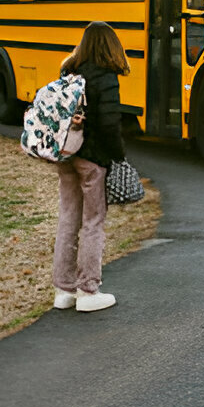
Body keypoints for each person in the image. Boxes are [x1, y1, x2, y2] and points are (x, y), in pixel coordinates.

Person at [52, 21, 130, 313]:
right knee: (93, 223)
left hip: (66, 154)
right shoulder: (106, 77)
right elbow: (109, 123)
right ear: (110, 45)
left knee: (68, 219)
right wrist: (117, 155)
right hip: (93, 158)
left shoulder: (69, 71)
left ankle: (63, 290)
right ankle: (88, 291)